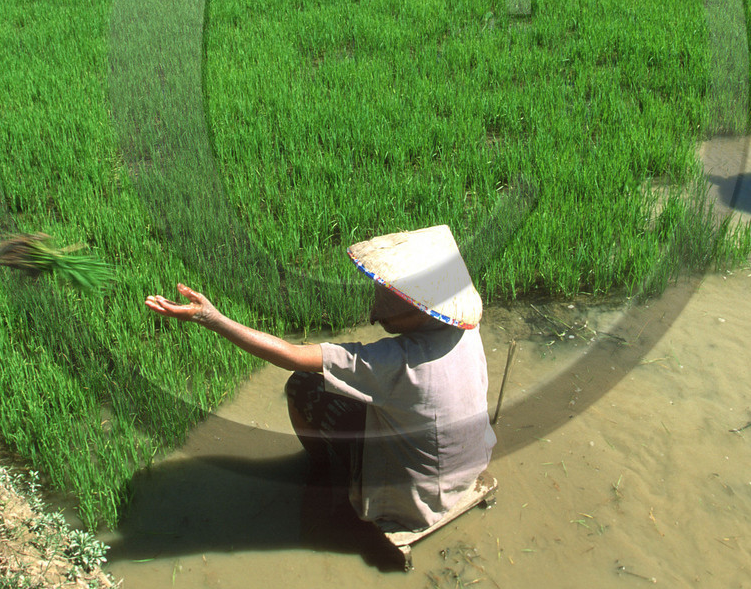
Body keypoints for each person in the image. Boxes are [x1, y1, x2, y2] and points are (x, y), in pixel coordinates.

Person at [145, 224, 495, 533]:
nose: (375, 314)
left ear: (420, 307)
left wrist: (212, 318)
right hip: (470, 464)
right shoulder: (466, 326)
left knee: (303, 384)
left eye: (391, 303)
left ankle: (324, 473)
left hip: (414, 502)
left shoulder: (395, 362)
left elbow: (292, 356)